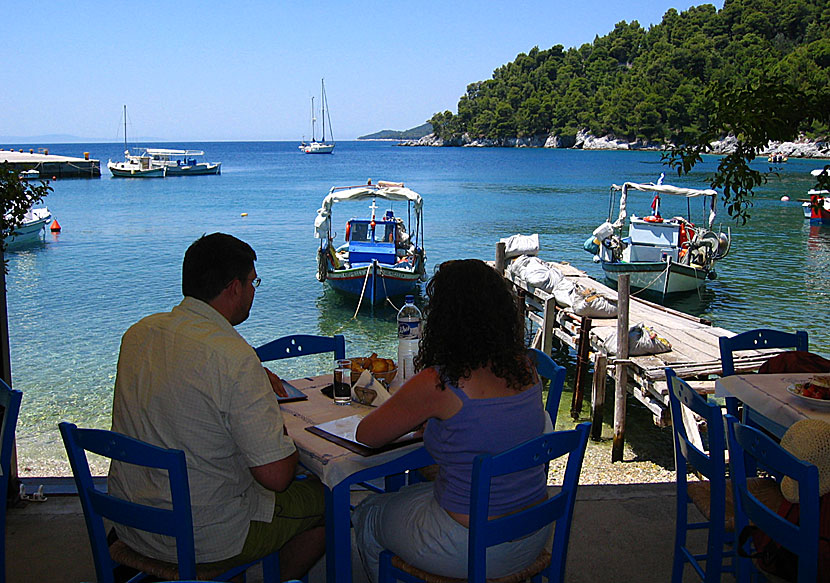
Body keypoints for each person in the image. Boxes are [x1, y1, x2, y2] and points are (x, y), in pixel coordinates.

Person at [108, 233, 324, 578]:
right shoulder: (234, 357)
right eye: (254, 281)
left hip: (131, 522)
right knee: (331, 499)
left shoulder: (138, 334)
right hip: (205, 537)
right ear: (234, 287)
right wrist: (270, 413)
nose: (255, 290)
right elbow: (278, 477)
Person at [353, 258, 551, 582]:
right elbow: (490, 427)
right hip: (534, 533)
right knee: (409, 498)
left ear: (444, 318)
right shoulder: (526, 368)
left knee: (368, 513)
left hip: (472, 547)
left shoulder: (439, 382)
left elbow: (367, 435)